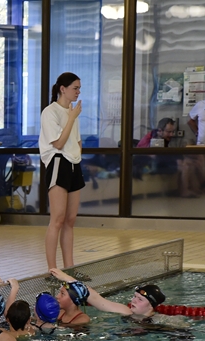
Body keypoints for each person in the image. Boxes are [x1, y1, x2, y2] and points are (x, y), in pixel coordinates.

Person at [39, 72, 86, 274]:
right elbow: (58, 143)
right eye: (75, 88)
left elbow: (77, 140)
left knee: (70, 220)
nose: (78, 92)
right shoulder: (50, 112)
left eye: (79, 88)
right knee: (57, 219)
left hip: (74, 163)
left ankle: (70, 269)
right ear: (62, 89)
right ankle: (53, 270)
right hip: (59, 162)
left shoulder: (71, 112)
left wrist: (77, 154)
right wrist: (72, 118)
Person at [50, 268, 187, 327]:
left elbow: (182, 326)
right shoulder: (126, 311)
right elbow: (96, 299)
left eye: (140, 299)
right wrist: (67, 278)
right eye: (134, 296)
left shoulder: (160, 320)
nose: (133, 301)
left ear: (151, 306)